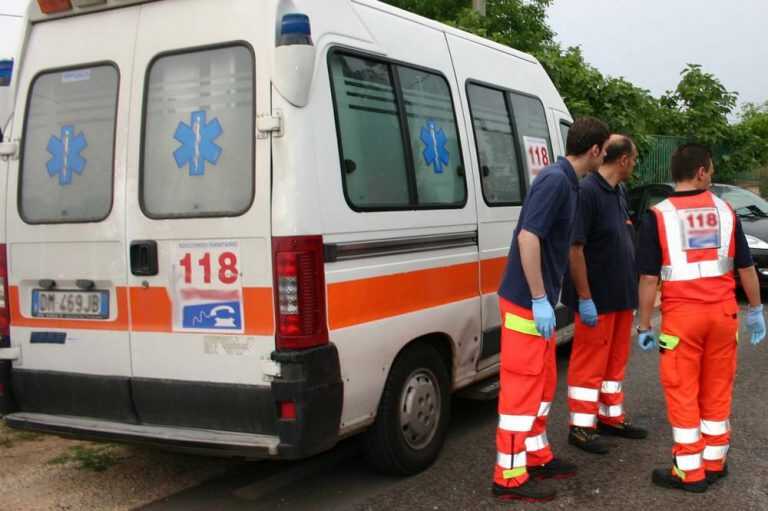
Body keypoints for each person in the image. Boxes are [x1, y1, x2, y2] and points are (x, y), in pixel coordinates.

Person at [635, 143, 766, 493]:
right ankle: (714, 461)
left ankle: (689, 472)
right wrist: (756, 309)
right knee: (717, 389)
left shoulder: (658, 215)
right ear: (700, 172)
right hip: (723, 316)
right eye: (711, 170)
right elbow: (746, 267)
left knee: (683, 391)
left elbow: (648, 278)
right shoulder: (725, 211)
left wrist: (644, 324)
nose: (712, 175)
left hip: (682, 320)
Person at [492, 117, 610, 502]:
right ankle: (509, 477)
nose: (606, 156)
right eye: (605, 150)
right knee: (522, 389)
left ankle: (535, 455)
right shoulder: (556, 181)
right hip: (526, 303)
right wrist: (539, 297)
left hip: (533, 303)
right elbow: (529, 237)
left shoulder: (567, 181)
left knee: (541, 384)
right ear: (594, 150)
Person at [563, 135, 648, 455]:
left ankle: (609, 415)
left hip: (620, 294)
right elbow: (575, 249)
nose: (635, 164)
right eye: (634, 158)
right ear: (623, 160)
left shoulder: (618, 191)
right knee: (589, 363)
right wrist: (585, 297)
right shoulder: (587, 192)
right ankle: (581, 427)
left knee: (615, 361)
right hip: (597, 298)